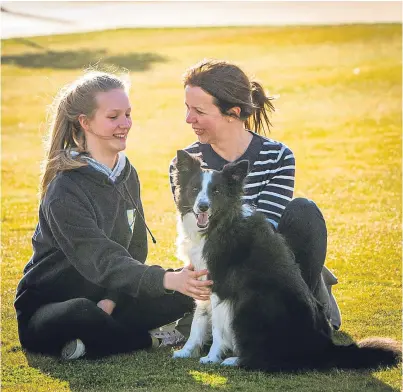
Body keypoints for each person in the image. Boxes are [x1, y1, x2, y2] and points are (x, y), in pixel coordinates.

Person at [14, 71, 213, 360]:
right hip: (51, 308)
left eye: (128, 114)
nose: (125, 124)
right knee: (82, 311)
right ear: (85, 122)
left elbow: (134, 250)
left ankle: (91, 342)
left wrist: (111, 298)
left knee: (189, 291)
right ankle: (147, 340)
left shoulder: (127, 173)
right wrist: (166, 281)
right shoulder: (64, 190)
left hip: (110, 297)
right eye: (113, 117)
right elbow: (100, 258)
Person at [167, 59, 341, 341]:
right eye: (187, 109)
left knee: (303, 211)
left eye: (198, 111)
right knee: (163, 286)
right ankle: (220, 319)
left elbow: (265, 233)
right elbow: (195, 233)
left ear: (232, 113)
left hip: (267, 259)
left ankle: (310, 307)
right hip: (217, 262)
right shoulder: (185, 164)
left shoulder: (278, 156)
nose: (189, 119)